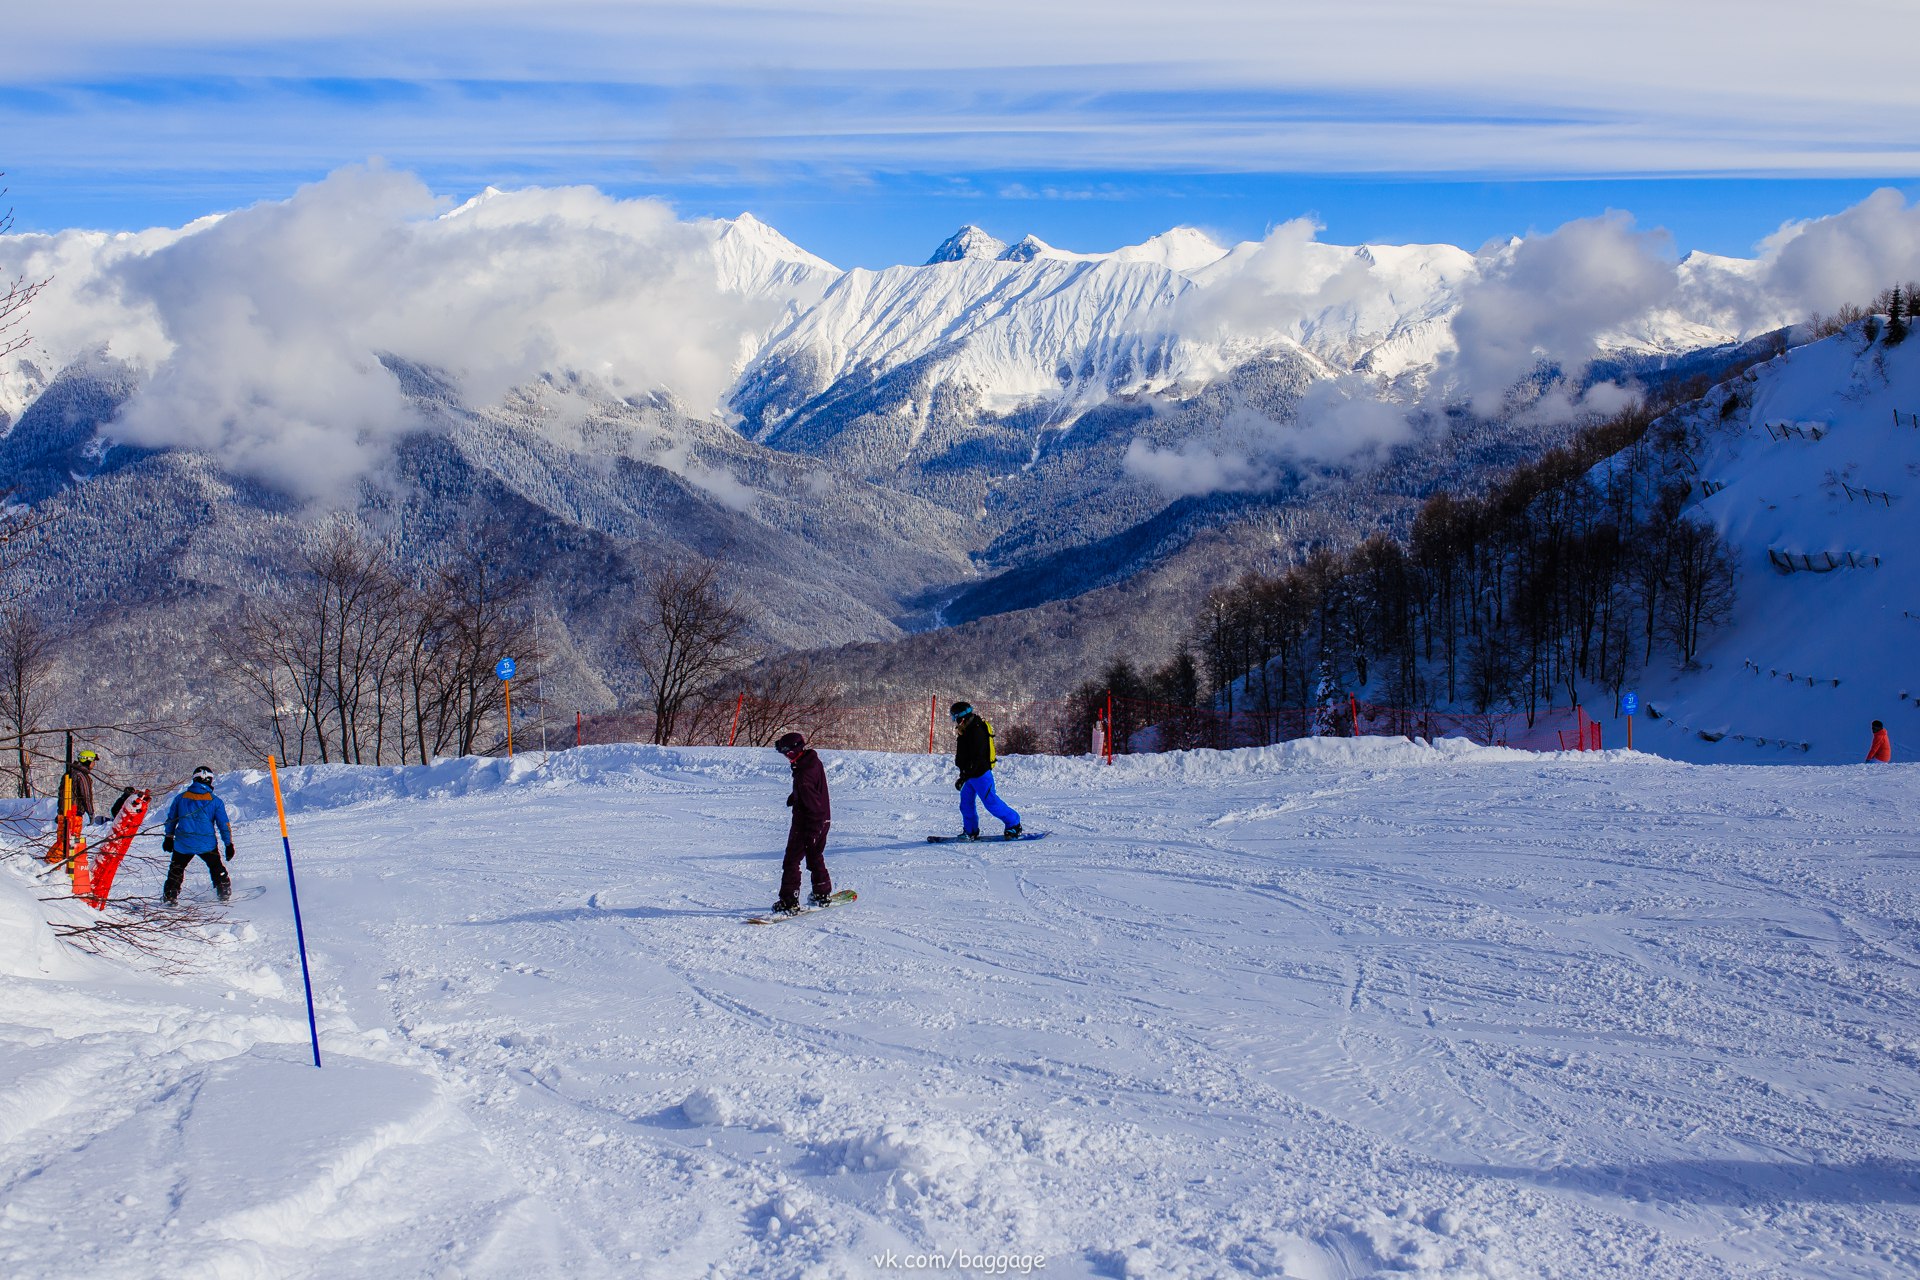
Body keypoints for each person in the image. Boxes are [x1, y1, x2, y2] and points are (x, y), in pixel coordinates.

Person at [772, 731, 832, 914]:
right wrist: (796, 796)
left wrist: (813, 829)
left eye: (788, 753)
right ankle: (822, 892)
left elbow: (812, 801)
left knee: (792, 859)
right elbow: (814, 790)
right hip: (823, 819)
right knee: (815, 855)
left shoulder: (803, 774)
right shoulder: (811, 762)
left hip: (808, 822)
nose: (787, 757)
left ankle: (789, 901)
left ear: (796, 750)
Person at [950, 701, 1022, 840]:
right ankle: (970, 831)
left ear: (961, 717)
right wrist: (963, 773)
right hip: (968, 775)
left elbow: (978, 758)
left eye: (954, 717)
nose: (954, 720)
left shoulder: (976, 730)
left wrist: (964, 776)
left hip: (981, 775)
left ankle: (1014, 824)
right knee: (966, 805)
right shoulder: (965, 729)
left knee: (991, 803)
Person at [162, 765, 234, 904]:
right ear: (210, 781)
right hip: (206, 844)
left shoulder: (180, 798)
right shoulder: (215, 801)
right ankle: (224, 892)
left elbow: (171, 820)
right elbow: (223, 825)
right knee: (216, 867)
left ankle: (170, 896)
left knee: (176, 870)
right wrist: (228, 844)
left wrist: (168, 837)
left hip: (183, 843)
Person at [61, 749, 102, 825]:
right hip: (75, 813)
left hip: (64, 813)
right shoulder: (82, 776)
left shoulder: (70, 773)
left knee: (64, 835)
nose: (94, 764)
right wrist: (90, 812)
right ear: (87, 761)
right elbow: (86, 796)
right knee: (74, 836)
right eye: (93, 761)